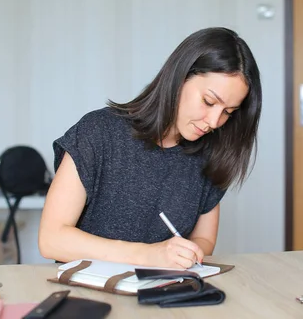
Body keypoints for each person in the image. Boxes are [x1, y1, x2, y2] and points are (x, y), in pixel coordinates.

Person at [38, 27, 262, 269]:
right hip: (88, 295)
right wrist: (147, 255)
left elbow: (204, 239)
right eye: (209, 102)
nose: (214, 122)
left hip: (164, 295)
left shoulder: (210, 153)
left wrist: (184, 254)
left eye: (227, 112)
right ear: (179, 77)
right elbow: (51, 239)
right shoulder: (98, 132)